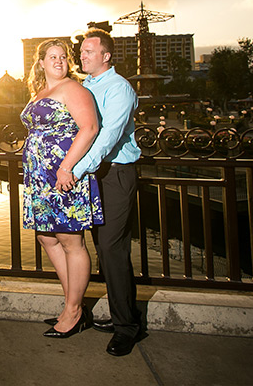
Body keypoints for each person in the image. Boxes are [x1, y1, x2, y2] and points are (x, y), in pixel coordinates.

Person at [20, 38, 103, 339]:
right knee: (46, 238)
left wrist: (65, 167)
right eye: (51, 57)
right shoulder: (40, 91)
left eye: (63, 56)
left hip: (62, 175)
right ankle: (73, 304)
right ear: (40, 63)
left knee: (71, 241)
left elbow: (90, 128)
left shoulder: (72, 88)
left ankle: (73, 311)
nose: (58, 61)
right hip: (40, 178)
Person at [71, 28, 142, 357]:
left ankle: (127, 328)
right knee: (105, 247)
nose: (82, 56)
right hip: (93, 174)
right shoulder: (85, 87)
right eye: (82, 51)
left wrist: (75, 170)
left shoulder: (119, 89)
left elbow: (108, 136)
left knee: (112, 248)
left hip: (115, 174)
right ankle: (121, 315)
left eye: (88, 51)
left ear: (106, 55)